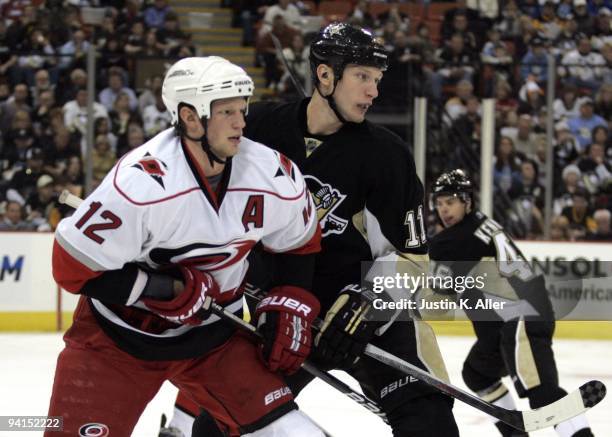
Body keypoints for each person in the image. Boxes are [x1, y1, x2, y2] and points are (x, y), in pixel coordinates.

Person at [169, 23, 459, 437]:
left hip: (368, 318)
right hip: (285, 316)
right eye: (362, 77)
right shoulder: (257, 132)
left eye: (376, 80)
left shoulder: (387, 156)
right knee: (217, 430)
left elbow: (415, 257)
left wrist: (367, 300)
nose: (373, 92)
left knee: (430, 425)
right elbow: (197, 191)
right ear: (325, 75)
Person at [45, 56, 325, 437]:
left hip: (213, 339)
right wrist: (162, 288)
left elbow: (300, 241)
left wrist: (290, 296)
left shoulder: (272, 173)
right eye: (226, 112)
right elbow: (69, 269)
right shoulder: (138, 185)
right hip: (117, 341)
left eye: (241, 109)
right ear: (191, 117)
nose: (241, 122)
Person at [428, 169, 594, 437]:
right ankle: (515, 432)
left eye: (451, 201)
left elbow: (436, 281)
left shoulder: (459, 237)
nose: (444, 209)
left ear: (467, 201)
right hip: (507, 326)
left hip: (521, 321)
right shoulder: (474, 228)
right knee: (477, 374)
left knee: (541, 393)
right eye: (439, 202)